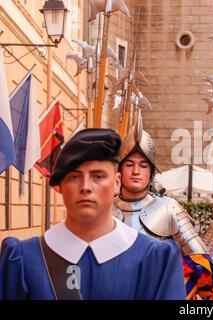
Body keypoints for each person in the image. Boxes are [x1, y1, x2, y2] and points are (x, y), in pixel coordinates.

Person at [0, 128, 185, 300]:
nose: (86, 187)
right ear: (61, 185)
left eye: (98, 176)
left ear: (116, 182)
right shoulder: (22, 260)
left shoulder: (155, 260)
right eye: (74, 177)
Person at [113, 128, 213, 299]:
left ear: (151, 171)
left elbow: (201, 262)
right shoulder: (104, 210)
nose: (136, 171)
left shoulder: (169, 208)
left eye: (143, 165)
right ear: (119, 169)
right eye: (129, 164)